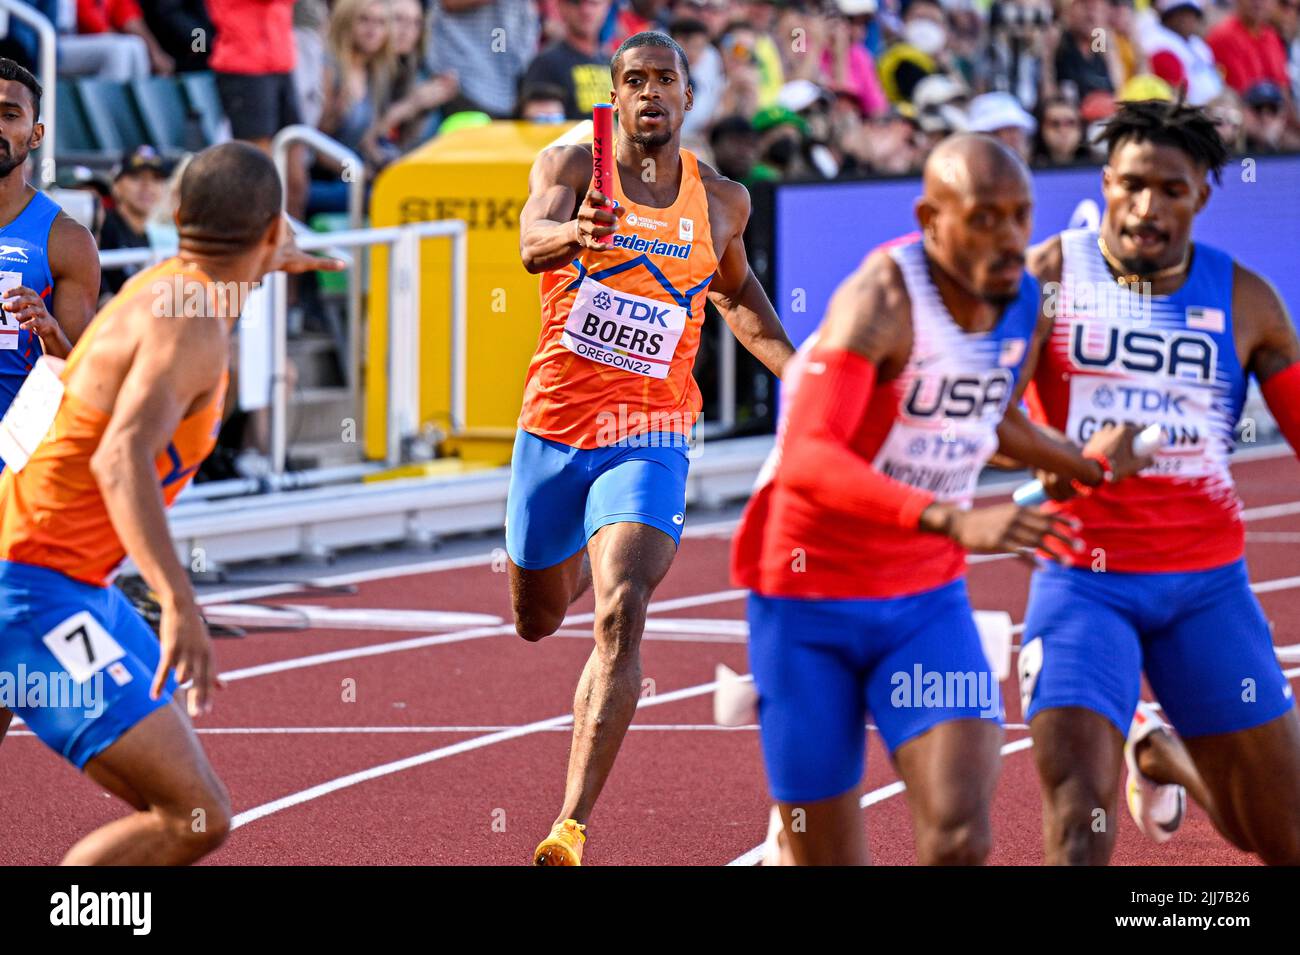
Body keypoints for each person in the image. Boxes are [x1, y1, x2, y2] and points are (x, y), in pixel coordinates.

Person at [729, 134, 1148, 866]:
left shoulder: (1019, 297)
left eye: (1021, 216)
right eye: (985, 218)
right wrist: (954, 516)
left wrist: (1081, 462)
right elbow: (809, 453)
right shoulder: (882, 298)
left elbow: (994, 416)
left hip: (924, 596)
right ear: (931, 218)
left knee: (960, 831)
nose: (1011, 237)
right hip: (808, 593)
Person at [0, 142, 342, 865]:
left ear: (177, 216)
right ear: (272, 229)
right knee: (194, 814)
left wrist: (274, 252)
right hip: (35, 584)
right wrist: (178, 596)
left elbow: (222, 255)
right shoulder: (191, 328)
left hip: (52, 572)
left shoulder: (166, 284)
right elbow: (121, 455)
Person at [512, 31, 794, 865]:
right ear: (615, 92)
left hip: (651, 430)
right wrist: (574, 236)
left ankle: (570, 822)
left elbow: (737, 296)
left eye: (664, 80)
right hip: (555, 425)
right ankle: (562, 553)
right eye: (633, 80)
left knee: (621, 607)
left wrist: (804, 372)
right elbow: (530, 242)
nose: (650, 94)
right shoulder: (573, 172)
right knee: (537, 618)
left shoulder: (721, 201)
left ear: (687, 97)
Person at [1020, 99, 1300, 865]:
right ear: (1107, 182)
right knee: (1081, 828)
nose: (1147, 208)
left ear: (1202, 194)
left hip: (1207, 589)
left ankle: (1170, 759)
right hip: (1083, 584)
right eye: (1133, 184)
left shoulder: (1249, 303)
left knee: (1283, 834)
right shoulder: (1048, 276)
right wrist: (1076, 460)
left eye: (1171, 190)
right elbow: (973, 424)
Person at [0, 60, 99, 426]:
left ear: (36, 134)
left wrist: (50, 330)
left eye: (10, 115)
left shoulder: (66, 240)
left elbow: (85, 384)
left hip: (17, 465)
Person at [99, 145, 172, 300]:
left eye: (156, 179)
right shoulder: (103, 225)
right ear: (116, 185)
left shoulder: (149, 235)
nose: (147, 186)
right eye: (136, 177)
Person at [523, 0, 614, 120]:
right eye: (576, 3)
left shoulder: (612, 63)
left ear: (607, 7)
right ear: (560, 7)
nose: (585, 11)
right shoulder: (546, 63)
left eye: (593, 3)